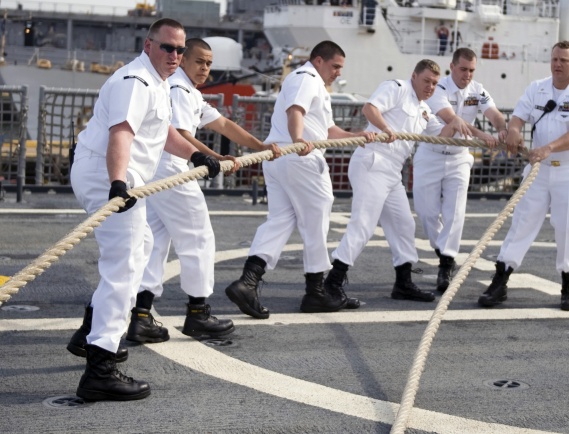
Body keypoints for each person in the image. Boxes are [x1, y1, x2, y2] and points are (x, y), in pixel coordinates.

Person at [68, 18, 221, 401]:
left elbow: (165, 133)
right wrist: (118, 184)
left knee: (142, 247)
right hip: (108, 173)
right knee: (124, 266)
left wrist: (201, 155)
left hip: (119, 175)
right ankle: (99, 366)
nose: (174, 55)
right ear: (148, 44)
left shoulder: (159, 83)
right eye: (167, 47)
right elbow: (122, 132)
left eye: (180, 50)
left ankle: (90, 334)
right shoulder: (135, 81)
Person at [125, 38, 281, 342]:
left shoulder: (186, 91)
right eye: (199, 61)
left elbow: (223, 123)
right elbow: (182, 134)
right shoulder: (180, 91)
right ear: (183, 60)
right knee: (199, 238)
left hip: (155, 173)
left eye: (209, 63)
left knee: (156, 243)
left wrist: (260, 146)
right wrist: (213, 157)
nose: (205, 68)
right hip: (173, 169)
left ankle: (141, 315)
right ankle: (198, 313)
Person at [225, 40, 374, 319]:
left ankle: (248, 281)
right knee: (317, 219)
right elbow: (296, 111)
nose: (338, 73)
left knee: (281, 219)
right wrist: (298, 140)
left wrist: (358, 136)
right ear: (318, 61)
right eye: (335, 66)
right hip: (300, 158)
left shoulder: (311, 82)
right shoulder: (307, 78)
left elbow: (327, 130)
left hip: (280, 159)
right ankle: (315, 291)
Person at [326, 59, 471, 303]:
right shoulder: (397, 88)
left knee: (404, 225)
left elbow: (441, 137)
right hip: (373, 161)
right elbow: (370, 109)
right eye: (426, 81)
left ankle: (403, 283)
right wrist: (385, 128)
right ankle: (332, 283)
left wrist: (455, 122)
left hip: (392, 171)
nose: (430, 87)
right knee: (363, 225)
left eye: (435, 83)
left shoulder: (424, 110)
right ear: (414, 76)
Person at [478, 41, 569, 310]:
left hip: (566, 172)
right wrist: (515, 131)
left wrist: (548, 148)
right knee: (521, 225)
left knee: (567, 231)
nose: (557, 64)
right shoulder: (536, 88)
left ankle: (567, 285)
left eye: (564, 60)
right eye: (554, 59)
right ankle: (500, 281)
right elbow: (518, 118)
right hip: (537, 172)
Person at [413, 48, 507, 293]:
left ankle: (446, 263)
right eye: (463, 69)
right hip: (431, 155)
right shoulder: (439, 89)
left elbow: (493, 113)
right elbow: (453, 120)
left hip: (458, 158)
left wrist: (502, 128)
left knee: (455, 211)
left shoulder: (478, 89)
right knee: (426, 213)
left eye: (472, 70)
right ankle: (443, 250)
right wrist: (484, 135)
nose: (467, 75)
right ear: (452, 67)